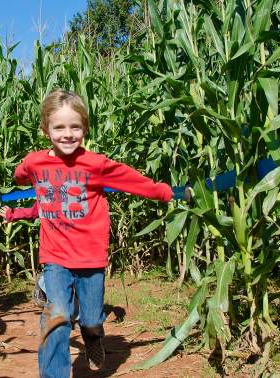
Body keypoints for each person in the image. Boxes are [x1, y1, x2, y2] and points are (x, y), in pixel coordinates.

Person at [13, 89, 174, 376]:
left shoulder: (95, 164)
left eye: (75, 126)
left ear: (85, 128)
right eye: (59, 127)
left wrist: (162, 192)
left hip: (90, 257)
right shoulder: (37, 161)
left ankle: (92, 338)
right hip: (56, 257)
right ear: (46, 129)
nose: (67, 134)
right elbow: (21, 173)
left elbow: (130, 179)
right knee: (57, 317)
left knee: (90, 319)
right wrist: (22, 175)